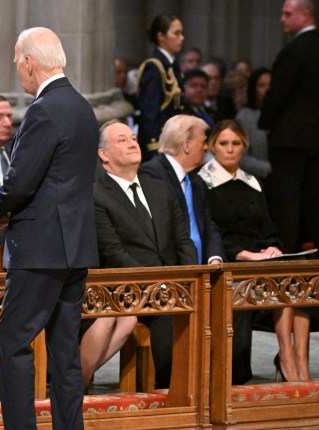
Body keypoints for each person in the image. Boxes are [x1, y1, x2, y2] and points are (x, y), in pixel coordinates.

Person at [0, 27, 99, 429]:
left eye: (18, 60)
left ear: (29, 62)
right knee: (65, 352)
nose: (17, 68)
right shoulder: (82, 107)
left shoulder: (44, 108)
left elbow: (20, 181)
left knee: (13, 341)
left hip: (40, 248)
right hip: (75, 247)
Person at [198, 120, 319, 383]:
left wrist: (273, 246)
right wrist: (245, 254)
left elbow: (269, 227)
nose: (230, 150)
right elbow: (208, 232)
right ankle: (286, 359)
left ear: (245, 146)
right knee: (282, 282)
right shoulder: (203, 182)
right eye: (223, 144)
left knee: (304, 275)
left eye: (236, 144)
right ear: (212, 146)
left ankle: (297, 358)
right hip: (230, 258)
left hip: (260, 256)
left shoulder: (252, 182)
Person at [88, 120, 197, 390]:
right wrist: (156, 285)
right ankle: (164, 398)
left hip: (174, 285)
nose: (132, 143)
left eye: (133, 137)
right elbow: (114, 252)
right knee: (168, 335)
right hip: (129, 287)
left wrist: (191, 280)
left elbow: (183, 241)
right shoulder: (96, 194)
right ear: (103, 154)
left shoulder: (160, 187)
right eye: (122, 140)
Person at [258, 0, 319, 259]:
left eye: (287, 13)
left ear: (305, 15)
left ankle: (284, 260)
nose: (282, 18)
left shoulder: (293, 51)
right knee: (318, 202)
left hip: (289, 138)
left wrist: (266, 122)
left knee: (286, 204)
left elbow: (278, 93)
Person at [139, 114, 224, 266]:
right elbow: (161, 232)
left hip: (202, 269)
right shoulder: (152, 174)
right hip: (173, 272)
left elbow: (208, 224)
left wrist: (215, 257)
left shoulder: (196, 180)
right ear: (186, 145)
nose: (207, 147)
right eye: (203, 141)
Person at [137, 14, 185, 161]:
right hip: (160, 146)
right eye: (176, 33)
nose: (181, 38)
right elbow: (149, 112)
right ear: (161, 36)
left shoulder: (171, 64)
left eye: (181, 33)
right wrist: (154, 147)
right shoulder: (155, 66)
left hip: (172, 141)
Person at [235, 67, 272, 179]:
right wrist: (268, 168)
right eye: (261, 85)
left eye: (270, 85)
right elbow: (240, 157)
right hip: (255, 180)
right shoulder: (245, 117)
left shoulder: (284, 116)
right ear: (253, 90)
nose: (267, 89)